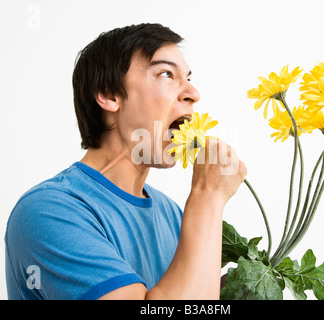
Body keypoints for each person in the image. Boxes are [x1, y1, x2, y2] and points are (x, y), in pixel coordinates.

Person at [5, 23, 247, 300]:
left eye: (189, 78)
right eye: (166, 74)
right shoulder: (48, 211)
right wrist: (208, 195)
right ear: (109, 94)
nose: (193, 93)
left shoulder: (172, 214)